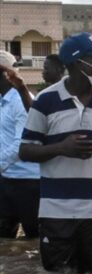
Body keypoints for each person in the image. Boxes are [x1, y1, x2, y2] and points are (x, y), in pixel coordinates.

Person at [19, 33, 92, 274]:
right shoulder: (45, 101)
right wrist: (61, 148)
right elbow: (25, 150)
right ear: (78, 63)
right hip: (57, 212)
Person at [0, 50, 40, 239]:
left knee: (34, 238)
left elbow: (21, 143)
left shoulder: (22, 102)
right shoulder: (2, 102)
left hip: (28, 183)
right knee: (5, 241)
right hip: (6, 179)